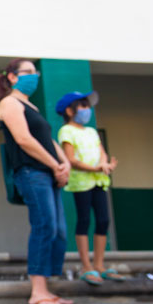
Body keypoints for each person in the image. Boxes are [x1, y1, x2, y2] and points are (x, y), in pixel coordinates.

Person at [0, 59, 73, 304]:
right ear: (12, 77)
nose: (34, 76)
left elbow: (48, 139)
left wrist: (64, 164)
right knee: (45, 226)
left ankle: (46, 288)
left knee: (59, 231)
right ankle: (37, 292)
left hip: (48, 173)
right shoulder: (9, 103)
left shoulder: (32, 106)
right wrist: (54, 165)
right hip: (32, 172)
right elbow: (23, 139)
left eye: (35, 72)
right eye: (27, 72)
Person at [55, 90, 123, 285]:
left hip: (99, 182)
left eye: (87, 106)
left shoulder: (92, 131)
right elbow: (71, 159)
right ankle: (87, 266)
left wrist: (105, 164)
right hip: (81, 183)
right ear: (69, 110)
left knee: (103, 220)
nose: (87, 110)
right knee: (84, 220)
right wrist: (95, 168)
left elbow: (102, 153)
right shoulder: (66, 131)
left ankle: (100, 264)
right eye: (83, 106)